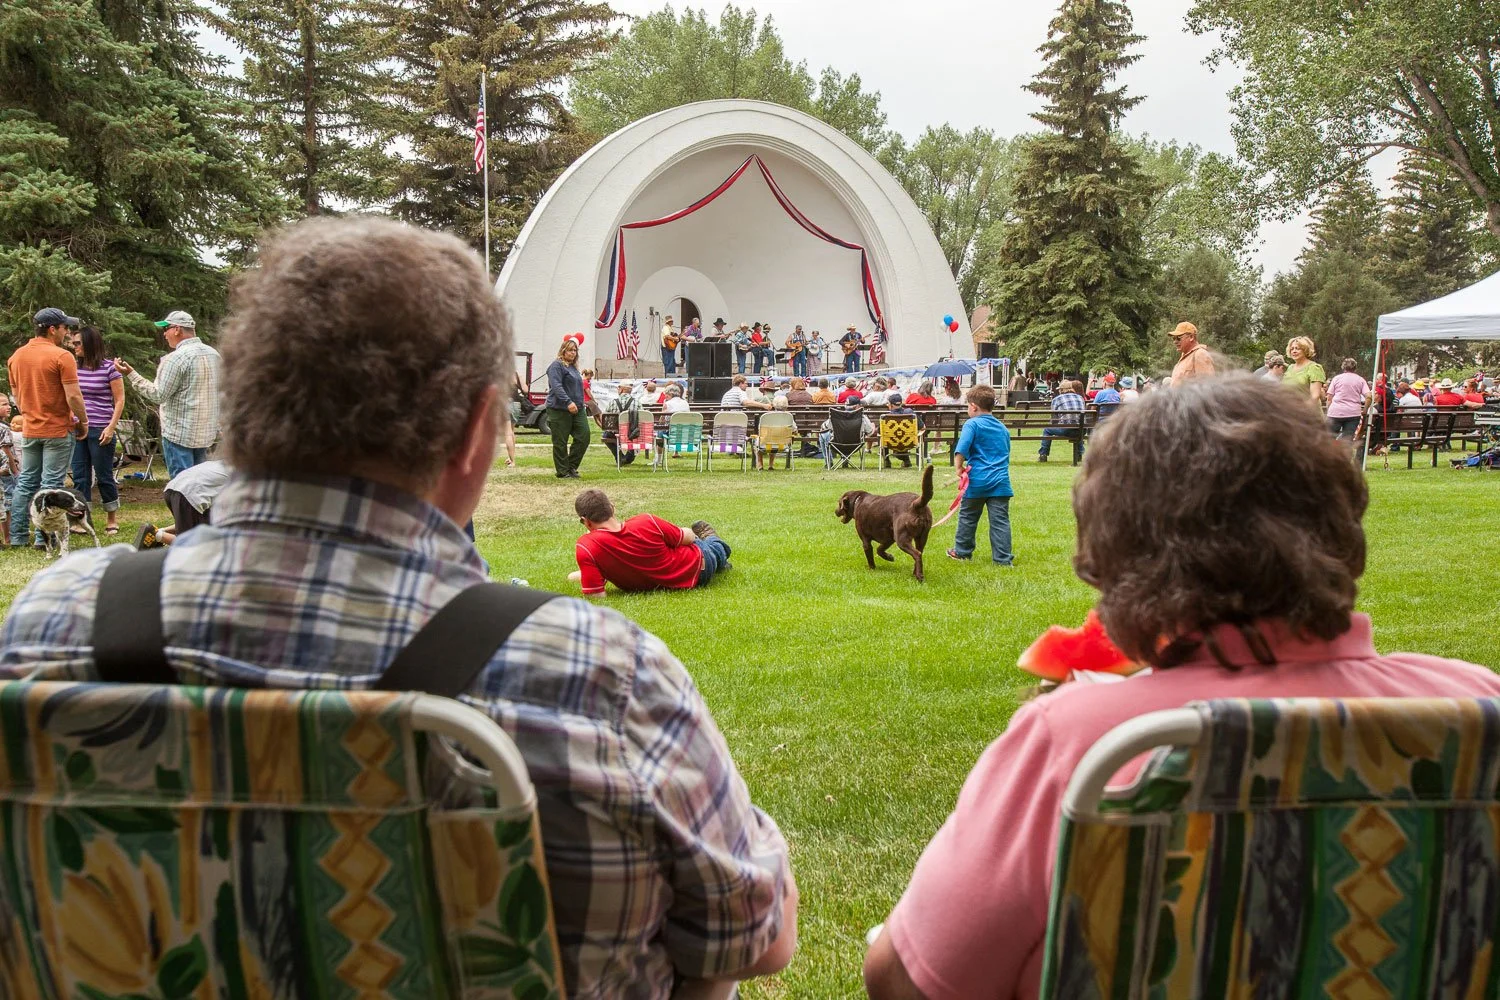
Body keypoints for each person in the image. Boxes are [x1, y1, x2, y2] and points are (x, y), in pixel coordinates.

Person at [1, 216, 796, 998]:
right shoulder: (594, 678)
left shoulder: (54, 624)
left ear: (241, 409)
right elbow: (756, 939)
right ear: (479, 432)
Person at [863, 374, 1500, 1000]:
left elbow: (908, 982)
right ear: (1341, 526)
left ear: (1111, 552)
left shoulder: (1081, 738)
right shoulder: (1476, 706)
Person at [9, 307, 88, 548]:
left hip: (30, 429)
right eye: (65, 327)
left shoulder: (17, 356)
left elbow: (17, 396)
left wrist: (29, 414)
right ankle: (43, 539)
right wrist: (82, 421)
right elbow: (73, 395)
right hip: (57, 429)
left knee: (25, 483)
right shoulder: (62, 356)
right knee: (50, 485)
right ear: (52, 329)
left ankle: (18, 536)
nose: (67, 332)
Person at [116, 310, 222, 478]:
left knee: (182, 488)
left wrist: (131, 375)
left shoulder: (175, 358)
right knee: (201, 487)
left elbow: (158, 395)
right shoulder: (214, 355)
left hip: (179, 435)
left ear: (177, 329)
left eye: (166, 329)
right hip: (205, 435)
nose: (164, 334)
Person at [568, 489, 732, 595]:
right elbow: (688, 537)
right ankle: (714, 544)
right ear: (612, 508)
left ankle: (716, 549)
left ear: (585, 521)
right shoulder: (646, 521)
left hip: (693, 568)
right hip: (698, 567)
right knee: (711, 549)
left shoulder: (587, 548)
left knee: (711, 550)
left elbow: (595, 595)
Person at [946, 384, 1013, 564]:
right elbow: (1006, 452)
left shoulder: (972, 424)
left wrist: (958, 468)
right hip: (1000, 482)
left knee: (968, 516)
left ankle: (962, 551)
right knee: (1000, 522)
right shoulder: (1002, 428)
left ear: (973, 406)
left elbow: (962, 448)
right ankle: (1003, 558)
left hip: (977, 480)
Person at [69, 325, 125, 535]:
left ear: (90, 344)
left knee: (104, 475)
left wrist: (111, 428)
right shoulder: (73, 368)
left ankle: (111, 518)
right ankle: (82, 519)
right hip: (78, 429)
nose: (74, 347)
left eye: (78, 343)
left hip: (101, 428)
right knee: (80, 476)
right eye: (73, 343)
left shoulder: (109, 368)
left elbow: (119, 400)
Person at [134, 459, 230, 549]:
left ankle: (158, 531)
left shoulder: (230, 463)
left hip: (173, 488)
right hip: (189, 494)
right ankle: (157, 536)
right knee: (195, 546)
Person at [545, 336, 589, 478]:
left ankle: (571, 466)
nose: (573, 353)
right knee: (560, 441)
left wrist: (581, 403)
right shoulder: (556, 366)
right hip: (559, 409)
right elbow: (556, 386)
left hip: (578, 408)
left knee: (584, 436)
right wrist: (568, 402)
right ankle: (562, 471)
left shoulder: (574, 368)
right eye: (570, 350)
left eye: (575, 350)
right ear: (563, 351)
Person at [1324, 357, 1371, 460]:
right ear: (1355, 368)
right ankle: (1345, 460)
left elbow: (1329, 397)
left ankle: (1327, 458)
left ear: (1343, 367)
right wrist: (1364, 410)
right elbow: (1368, 396)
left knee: (1329, 437)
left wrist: (1329, 409)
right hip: (1353, 413)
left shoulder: (1337, 379)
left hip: (1335, 412)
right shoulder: (1360, 379)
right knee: (1348, 438)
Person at [1037, 379, 1084, 463]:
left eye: (1059, 390)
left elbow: (1054, 419)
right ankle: (1079, 454)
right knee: (1077, 427)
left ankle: (1043, 454)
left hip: (1066, 429)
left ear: (1062, 390)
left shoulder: (1057, 399)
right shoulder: (1080, 398)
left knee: (1047, 430)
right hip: (1082, 430)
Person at [602, 381, 641, 466]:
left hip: (616, 432)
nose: (618, 389)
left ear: (622, 389)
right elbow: (643, 419)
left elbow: (606, 418)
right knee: (636, 433)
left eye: (618, 387)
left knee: (605, 435)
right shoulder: (637, 403)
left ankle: (619, 456)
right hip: (632, 433)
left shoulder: (613, 402)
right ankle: (628, 457)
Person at [1282, 336, 1326, 405]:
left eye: (1297, 348)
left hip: (1307, 412)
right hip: (1289, 411)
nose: (1294, 351)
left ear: (1305, 350)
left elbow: (1315, 396)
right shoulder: (1290, 368)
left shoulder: (1314, 368)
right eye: (1292, 349)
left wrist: (1301, 410)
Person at [882, 393, 918, 468]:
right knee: (903, 437)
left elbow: (880, 432)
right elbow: (923, 427)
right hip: (909, 442)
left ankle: (887, 461)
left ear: (890, 404)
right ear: (901, 403)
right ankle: (906, 460)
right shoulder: (910, 414)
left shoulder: (886, 417)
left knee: (883, 437)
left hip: (891, 443)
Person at [0, 396, 16, 544]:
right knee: (8, 504)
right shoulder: (4, 428)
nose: (9, 406)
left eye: (9, 403)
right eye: (4, 404)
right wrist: (15, 470)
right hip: (5, 472)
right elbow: (6, 451)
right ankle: (8, 537)